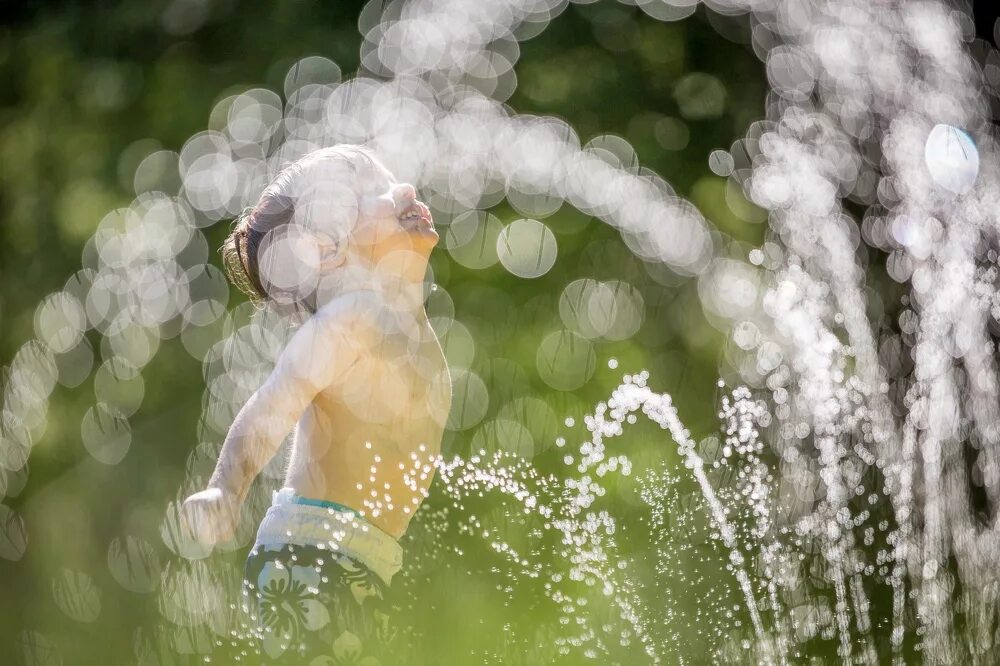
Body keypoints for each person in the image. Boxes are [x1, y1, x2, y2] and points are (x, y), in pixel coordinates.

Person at [180, 145, 452, 663]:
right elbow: (274, 402)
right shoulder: (354, 319)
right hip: (310, 557)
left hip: (365, 563)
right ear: (330, 249)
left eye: (390, 177)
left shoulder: (414, 335)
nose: (401, 190)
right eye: (369, 190)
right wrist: (226, 489)